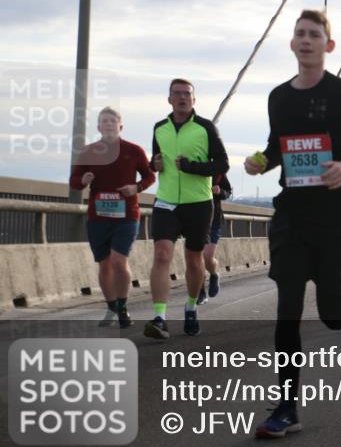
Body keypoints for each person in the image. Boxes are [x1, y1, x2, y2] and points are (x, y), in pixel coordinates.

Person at [245, 8, 341, 438]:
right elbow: (276, 148)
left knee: (330, 312)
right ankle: (287, 408)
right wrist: (261, 162)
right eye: (299, 34)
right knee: (287, 313)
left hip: (333, 216)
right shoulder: (278, 97)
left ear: (328, 46)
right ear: (292, 44)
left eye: (314, 35)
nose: (306, 40)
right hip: (291, 215)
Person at [145, 78, 230, 339]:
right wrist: (154, 164)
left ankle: (191, 307)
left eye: (187, 94)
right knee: (161, 254)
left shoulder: (206, 128)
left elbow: (222, 164)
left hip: (198, 203)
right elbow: (156, 161)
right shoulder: (159, 128)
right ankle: (160, 318)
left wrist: (192, 167)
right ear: (169, 99)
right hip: (166, 201)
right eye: (177, 94)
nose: (182, 98)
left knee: (194, 259)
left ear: (194, 100)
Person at [69, 107, 155, 329]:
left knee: (119, 261)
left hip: (126, 215)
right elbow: (74, 180)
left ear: (120, 126)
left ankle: (123, 307)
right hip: (98, 216)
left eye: (112, 121)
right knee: (104, 265)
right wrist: (83, 179)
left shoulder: (133, 150)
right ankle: (111, 307)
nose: (108, 124)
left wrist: (135, 187)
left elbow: (149, 176)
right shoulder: (88, 151)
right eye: (104, 121)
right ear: (98, 127)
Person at [198, 173, 232, 305]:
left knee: (207, 257)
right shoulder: (190, 168)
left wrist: (220, 192)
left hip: (214, 219)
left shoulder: (218, 172)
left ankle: (214, 273)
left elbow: (228, 192)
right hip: (195, 219)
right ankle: (200, 293)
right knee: (197, 258)